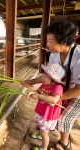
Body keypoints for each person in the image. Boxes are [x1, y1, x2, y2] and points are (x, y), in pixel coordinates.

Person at [22, 20, 80, 150]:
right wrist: (32, 82)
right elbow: (48, 75)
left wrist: (55, 98)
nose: (47, 45)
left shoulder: (79, 57)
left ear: (64, 41)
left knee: (64, 118)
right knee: (52, 112)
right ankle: (45, 132)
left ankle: (64, 143)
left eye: (50, 41)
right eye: (47, 41)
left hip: (77, 92)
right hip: (62, 89)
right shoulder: (54, 54)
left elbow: (78, 89)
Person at [27, 63, 66, 150]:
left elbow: (54, 100)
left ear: (53, 79)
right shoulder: (45, 84)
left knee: (44, 133)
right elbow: (38, 91)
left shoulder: (58, 88)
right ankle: (41, 134)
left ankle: (44, 148)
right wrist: (32, 93)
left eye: (45, 76)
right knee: (43, 129)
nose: (43, 78)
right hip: (42, 112)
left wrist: (39, 96)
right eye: (44, 75)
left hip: (48, 116)